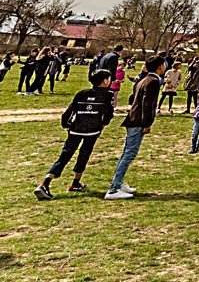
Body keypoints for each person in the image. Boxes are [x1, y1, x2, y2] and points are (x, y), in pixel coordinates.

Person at [35, 70, 115, 199]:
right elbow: (109, 114)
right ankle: (74, 182)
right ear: (105, 81)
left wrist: (66, 125)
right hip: (92, 131)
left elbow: (69, 111)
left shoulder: (82, 93)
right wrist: (102, 125)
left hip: (75, 129)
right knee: (84, 154)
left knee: (65, 155)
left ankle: (46, 182)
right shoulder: (108, 95)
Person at [105, 55, 164, 200]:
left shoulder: (143, 79)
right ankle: (113, 189)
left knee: (127, 153)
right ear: (160, 66)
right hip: (138, 121)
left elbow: (133, 99)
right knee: (129, 154)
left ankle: (118, 182)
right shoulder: (153, 81)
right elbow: (147, 104)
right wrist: (147, 123)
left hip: (133, 119)